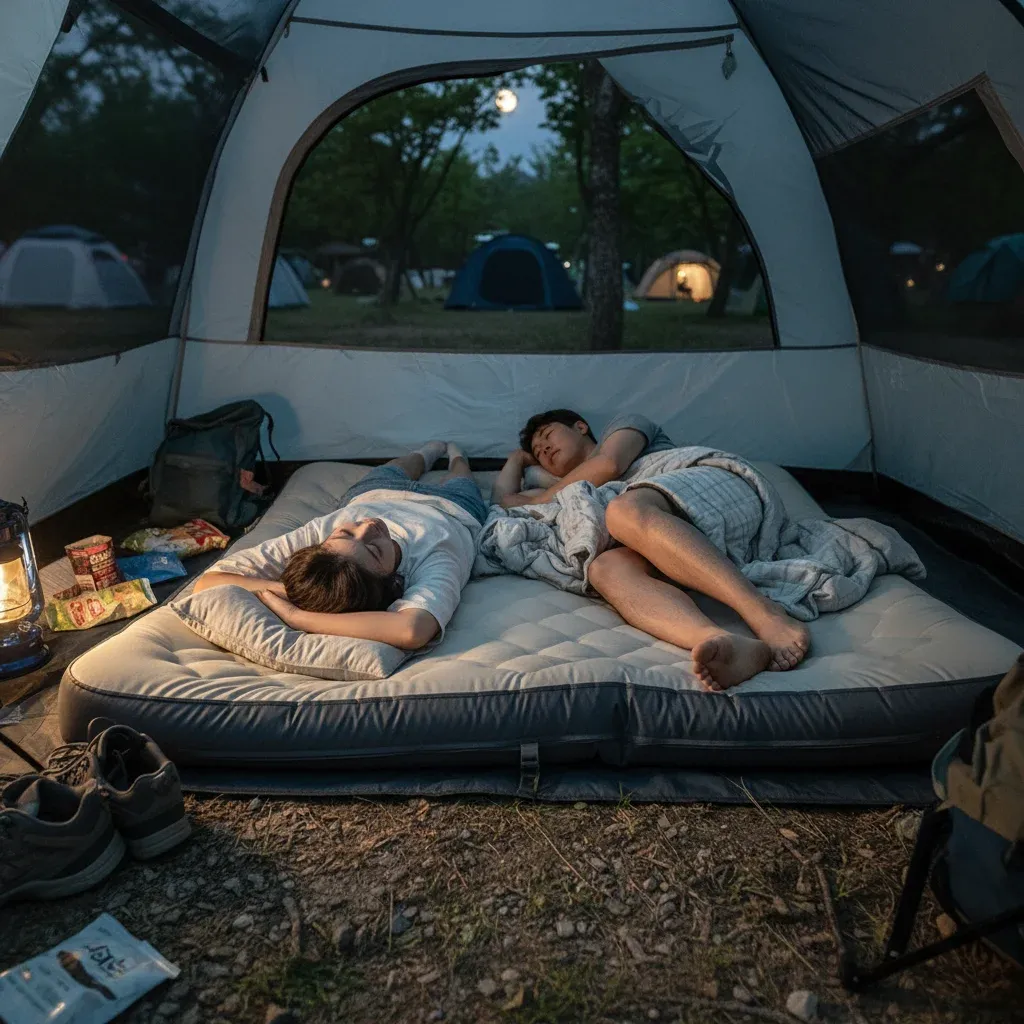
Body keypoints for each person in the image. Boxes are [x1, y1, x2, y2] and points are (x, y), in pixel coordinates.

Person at [495, 410, 810, 689]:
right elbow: (504, 501)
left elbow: (609, 463)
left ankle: (763, 614)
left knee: (622, 512)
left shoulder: (627, 425)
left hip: (709, 485)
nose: (545, 448)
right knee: (603, 568)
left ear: (580, 426)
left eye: (548, 436)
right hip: (669, 536)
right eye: (539, 451)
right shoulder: (566, 491)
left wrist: (540, 496)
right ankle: (716, 640)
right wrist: (518, 459)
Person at [194, 441, 484, 651]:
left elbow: (208, 582)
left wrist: (297, 595)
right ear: (391, 581)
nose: (369, 527)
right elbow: (411, 630)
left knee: (399, 466)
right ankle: (458, 455)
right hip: (451, 507)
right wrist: (300, 616)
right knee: (460, 476)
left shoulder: (326, 539)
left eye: (347, 532)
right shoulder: (437, 556)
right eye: (374, 549)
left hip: (375, 495)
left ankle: (427, 451)